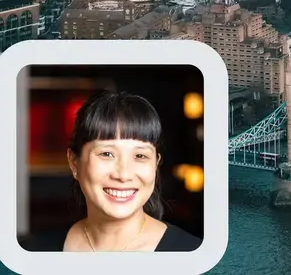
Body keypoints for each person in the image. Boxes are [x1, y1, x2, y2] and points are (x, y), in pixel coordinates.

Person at [29, 90, 202, 252]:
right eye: (107, 153)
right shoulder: (35, 252)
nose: (123, 174)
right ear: (74, 162)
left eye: (140, 156)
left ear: (155, 165)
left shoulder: (195, 256)